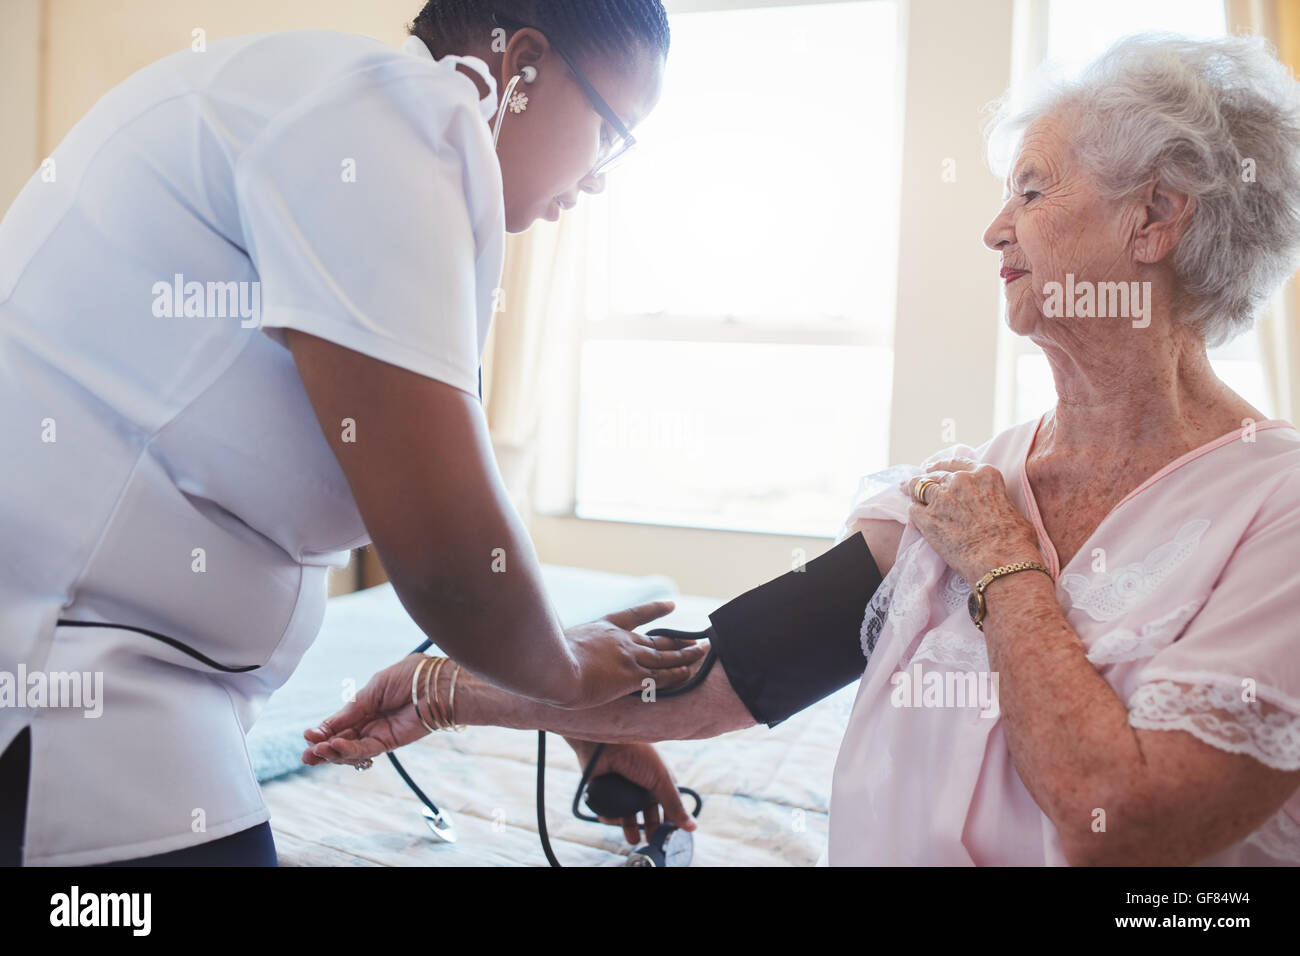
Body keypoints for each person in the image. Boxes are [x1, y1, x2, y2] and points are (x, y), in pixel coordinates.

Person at [307, 32, 1300, 866]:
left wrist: (1005, 563)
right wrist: (447, 692)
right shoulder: (959, 488)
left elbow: (1121, 818)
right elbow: (719, 674)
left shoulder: (1275, 512)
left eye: (1034, 191)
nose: (995, 228)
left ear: (1157, 217)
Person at [0, 0, 707, 867]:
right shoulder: (378, 124)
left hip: (140, 669)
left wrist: (552, 690)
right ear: (522, 70)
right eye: (612, 132)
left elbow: (437, 501)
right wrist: (568, 682)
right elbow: (450, 557)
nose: (601, 175)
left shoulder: (376, 129)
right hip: (69, 669)